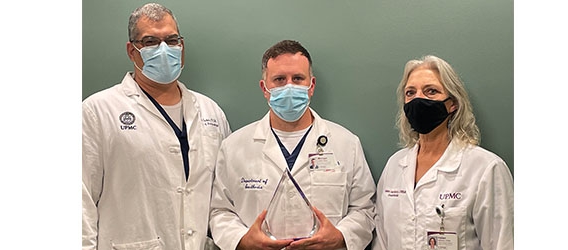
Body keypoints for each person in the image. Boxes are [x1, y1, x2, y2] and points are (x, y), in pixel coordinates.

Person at [82, 3, 231, 249]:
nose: (164, 49)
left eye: (172, 40)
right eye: (150, 42)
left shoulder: (210, 112)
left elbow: (226, 196)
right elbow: (80, 201)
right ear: (132, 51)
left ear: (182, 48)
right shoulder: (97, 111)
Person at [209, 40, 376, 250]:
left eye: (298, 78)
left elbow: (365, 207)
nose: (289, 86)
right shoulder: (234, 146)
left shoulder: (346, 143)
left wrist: (341, 236)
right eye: (279, 79)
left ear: (311, 86)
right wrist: (241, 240)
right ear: (264, 88)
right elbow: (220, 211)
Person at [371, 55, 513, 250]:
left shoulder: (486, 168)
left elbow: (502, 244)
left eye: (431, 91)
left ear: (452, 103)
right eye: (410, 93)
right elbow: (382, 241)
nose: (418, 99)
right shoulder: (394, 166)